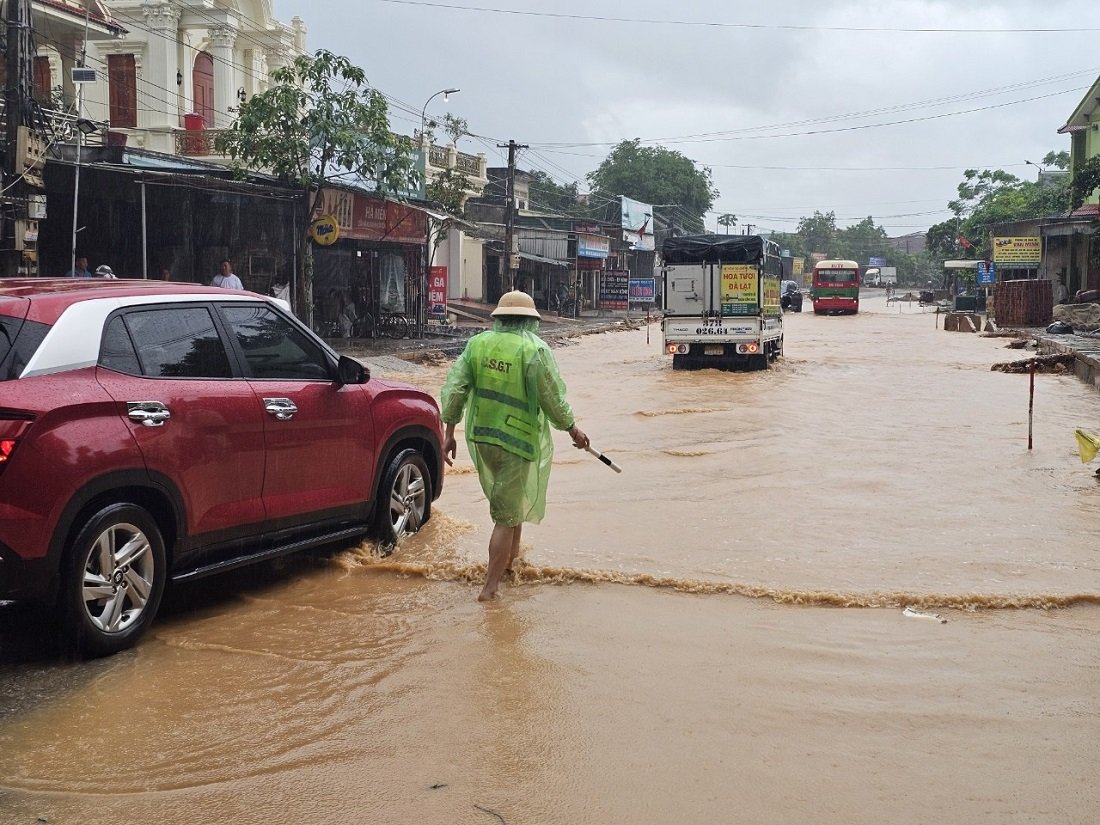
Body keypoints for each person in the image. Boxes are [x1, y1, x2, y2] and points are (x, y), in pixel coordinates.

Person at [440, 289, 589, 602]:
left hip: (481, 437)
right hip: (517, 440)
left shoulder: (477, 345)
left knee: (513, 502)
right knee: (506, 517)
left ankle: (512, 564)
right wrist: (573, 430)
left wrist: (448, 432)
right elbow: (551, 398)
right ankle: (489, 589)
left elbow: (455, 390)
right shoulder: (534, 350)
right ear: (529, 320)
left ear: (500, 318)